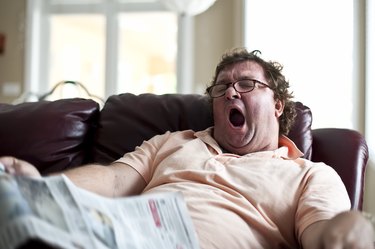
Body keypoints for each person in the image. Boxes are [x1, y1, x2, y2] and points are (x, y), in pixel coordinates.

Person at [0, 48, 373, 248]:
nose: (230, 91)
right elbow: (113, 182)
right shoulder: (175, 142)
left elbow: (324, 234)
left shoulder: (308, 174)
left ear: (278, 104)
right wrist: (42, 187)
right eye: (222, 87)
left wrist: (351, 229)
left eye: (246, 84)